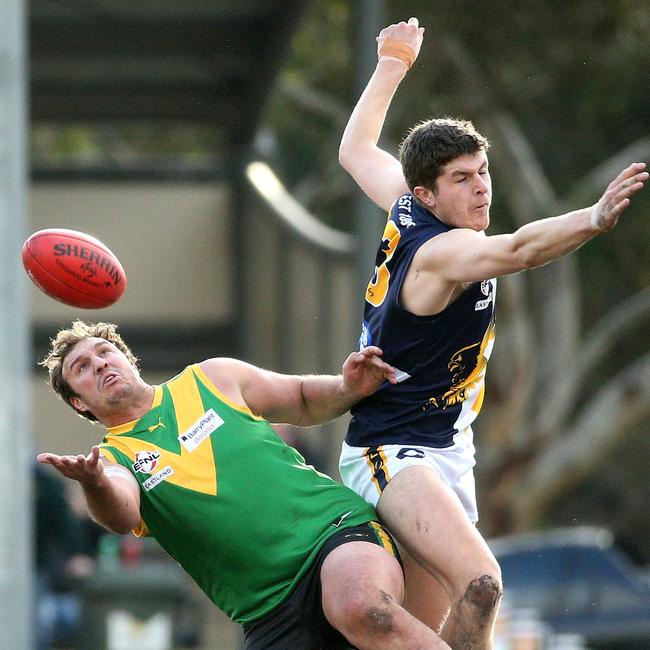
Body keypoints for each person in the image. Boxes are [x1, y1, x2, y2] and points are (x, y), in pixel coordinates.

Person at [337, 16, 648, 649]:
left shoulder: (405, 200)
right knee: (482, 581)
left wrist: (394, 62)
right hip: (394, 451)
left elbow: (355, 150)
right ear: (427, 194)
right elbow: (523, 249)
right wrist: (591, 217)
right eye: (462, 179)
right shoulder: (441, 251)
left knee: (423, 631)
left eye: (482, 172)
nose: (481, 188)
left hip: (447, 447)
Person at [36, 320, 452, 650]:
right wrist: (93, 484)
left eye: (105, 353)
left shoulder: (209, 379)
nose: (101, 365)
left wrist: (347, 387)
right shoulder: (112, 458)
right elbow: (121, 513)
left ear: (128, 358)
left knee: (359, 606)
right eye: (83, 369)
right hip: (266, 610)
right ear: (79, 402)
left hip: (333, 533)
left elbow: (303, 399)